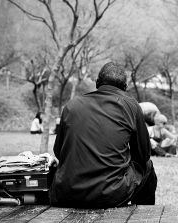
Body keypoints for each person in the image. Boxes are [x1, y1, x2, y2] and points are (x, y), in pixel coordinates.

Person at [49, 62, 157, 208]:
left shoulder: (71, 105)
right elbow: (143, 155)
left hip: (66, 194)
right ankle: (143, 219)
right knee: (147, 166)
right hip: (109, 195)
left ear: (97, 83)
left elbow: (59, 152)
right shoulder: (131, 106)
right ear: (125, 88)